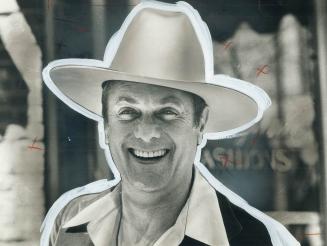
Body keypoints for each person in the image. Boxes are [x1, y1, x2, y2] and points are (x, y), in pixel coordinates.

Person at [40, 1, 299, 246]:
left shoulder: (253, 240)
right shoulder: (69, 223)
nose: (146, 132)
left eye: (168, 112)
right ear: (106, 126)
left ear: (201, 123)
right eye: (128, 111)